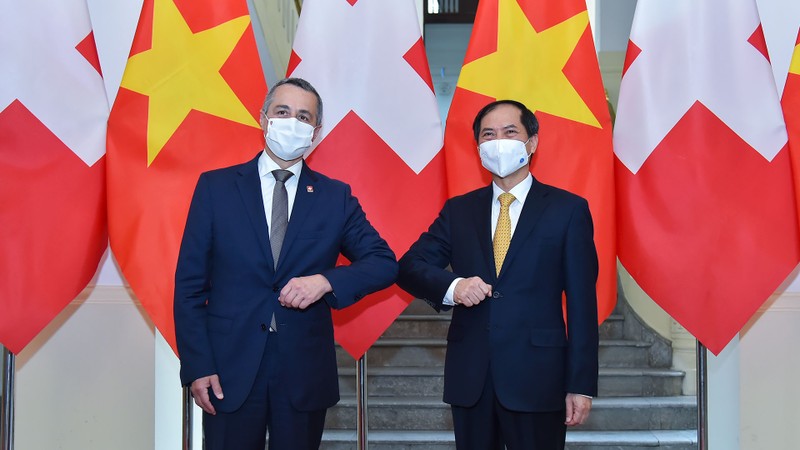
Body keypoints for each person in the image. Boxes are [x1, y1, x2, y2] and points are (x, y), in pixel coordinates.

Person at [174, 77, 398, 450]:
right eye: (283, 112)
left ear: (316, 131)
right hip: (228, 367)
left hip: (303, 371)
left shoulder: (334, 197)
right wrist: (198, 365)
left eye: (303, 116)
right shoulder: (215, 188)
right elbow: (189, 288)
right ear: (263, 118)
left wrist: (325, 281)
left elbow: (384, 263)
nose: (292, 122)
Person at [397, 99, 599, 449]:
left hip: (539, 377)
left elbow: (583, 305)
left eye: (509, 132)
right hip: (471, 377)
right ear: (478, 148)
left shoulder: (568, 210)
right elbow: (409, 267)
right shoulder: (459, 210)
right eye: (488, 135)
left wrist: (580, 384)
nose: (498, 141)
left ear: (531, 142)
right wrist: (454, 286)